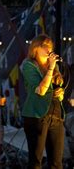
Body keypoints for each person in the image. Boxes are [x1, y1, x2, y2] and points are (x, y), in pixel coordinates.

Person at [22, 34, 64, 169]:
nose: (49, 49)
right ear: (35, 48)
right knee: (36, 161)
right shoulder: (29, 66)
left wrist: (60, 93)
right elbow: (40, 91)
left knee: (56, 162)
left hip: (55, 113)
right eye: (45, 46)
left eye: (50, 46)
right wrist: (51, 68)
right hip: (37, 116)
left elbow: (57, 90)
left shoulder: (54, 67)